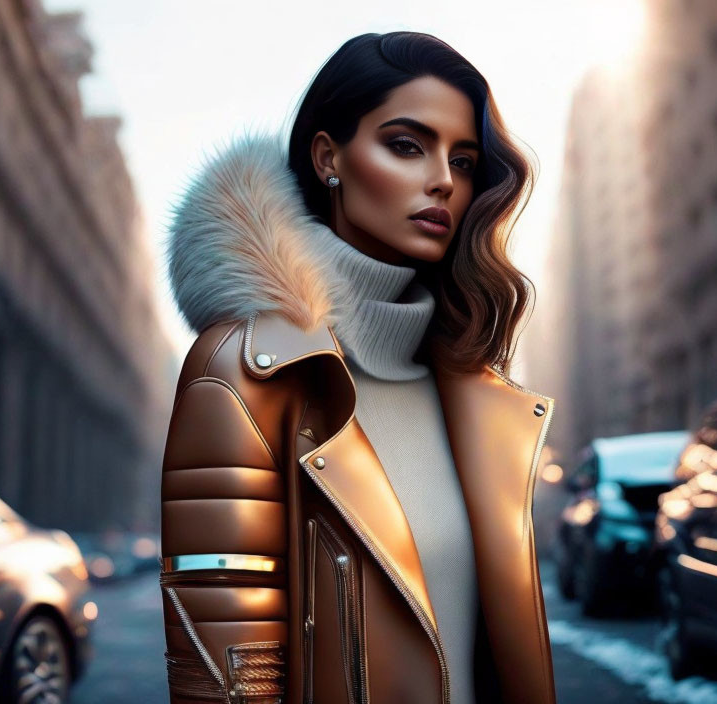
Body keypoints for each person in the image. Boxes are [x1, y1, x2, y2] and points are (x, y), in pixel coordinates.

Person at [159, 31, 556, 704]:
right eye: (406, 145)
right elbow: (225, 677)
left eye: (462, 161)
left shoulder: (476, 392)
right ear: (327, 158)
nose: (442, 181)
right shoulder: (246, 372)